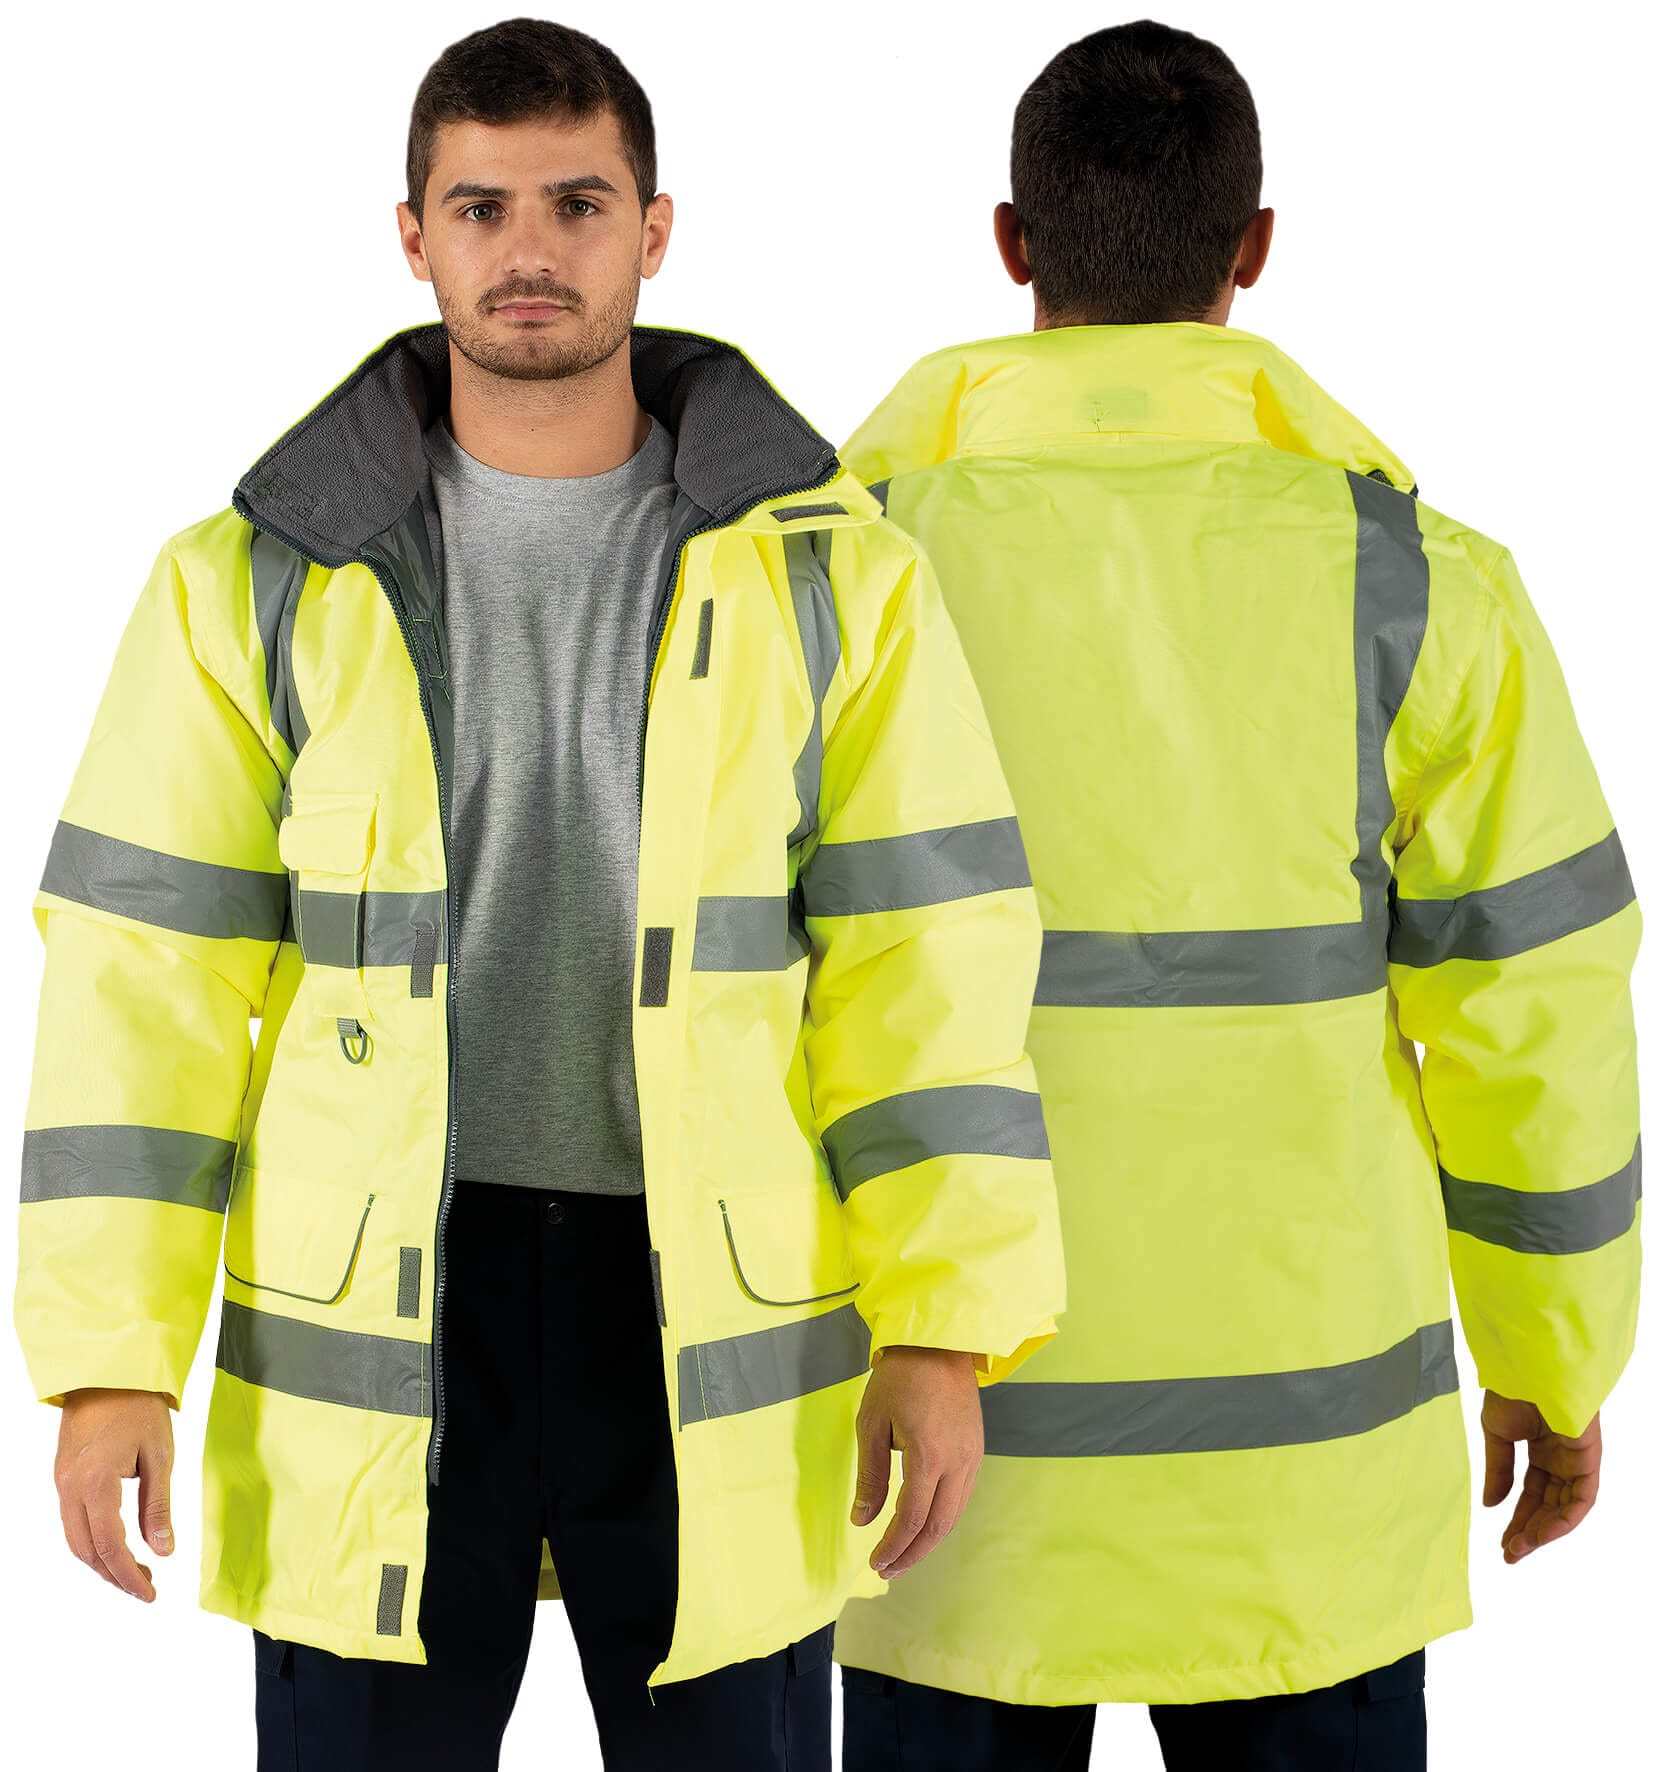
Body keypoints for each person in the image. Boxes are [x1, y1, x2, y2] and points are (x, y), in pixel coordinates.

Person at [13, 18, 1066, 1771]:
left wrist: (942, 1329)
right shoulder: (252, 580)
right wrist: (111, 1359)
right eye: (481, 207)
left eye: (577, 204)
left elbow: (927, 968)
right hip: (387, 1316)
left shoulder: (834, 575)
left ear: (653, 230)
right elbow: (143, 983)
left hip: (712, 1301)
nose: (529, 250)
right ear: (411, 236)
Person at [833, 19, 1642, 1772]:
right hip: (1307, 1502)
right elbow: (1536, 1015)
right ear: (1253, 247)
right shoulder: (1413, 584)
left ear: (1011, 245)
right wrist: (1551, 1357)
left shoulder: (840, 580)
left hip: (942, 1489)